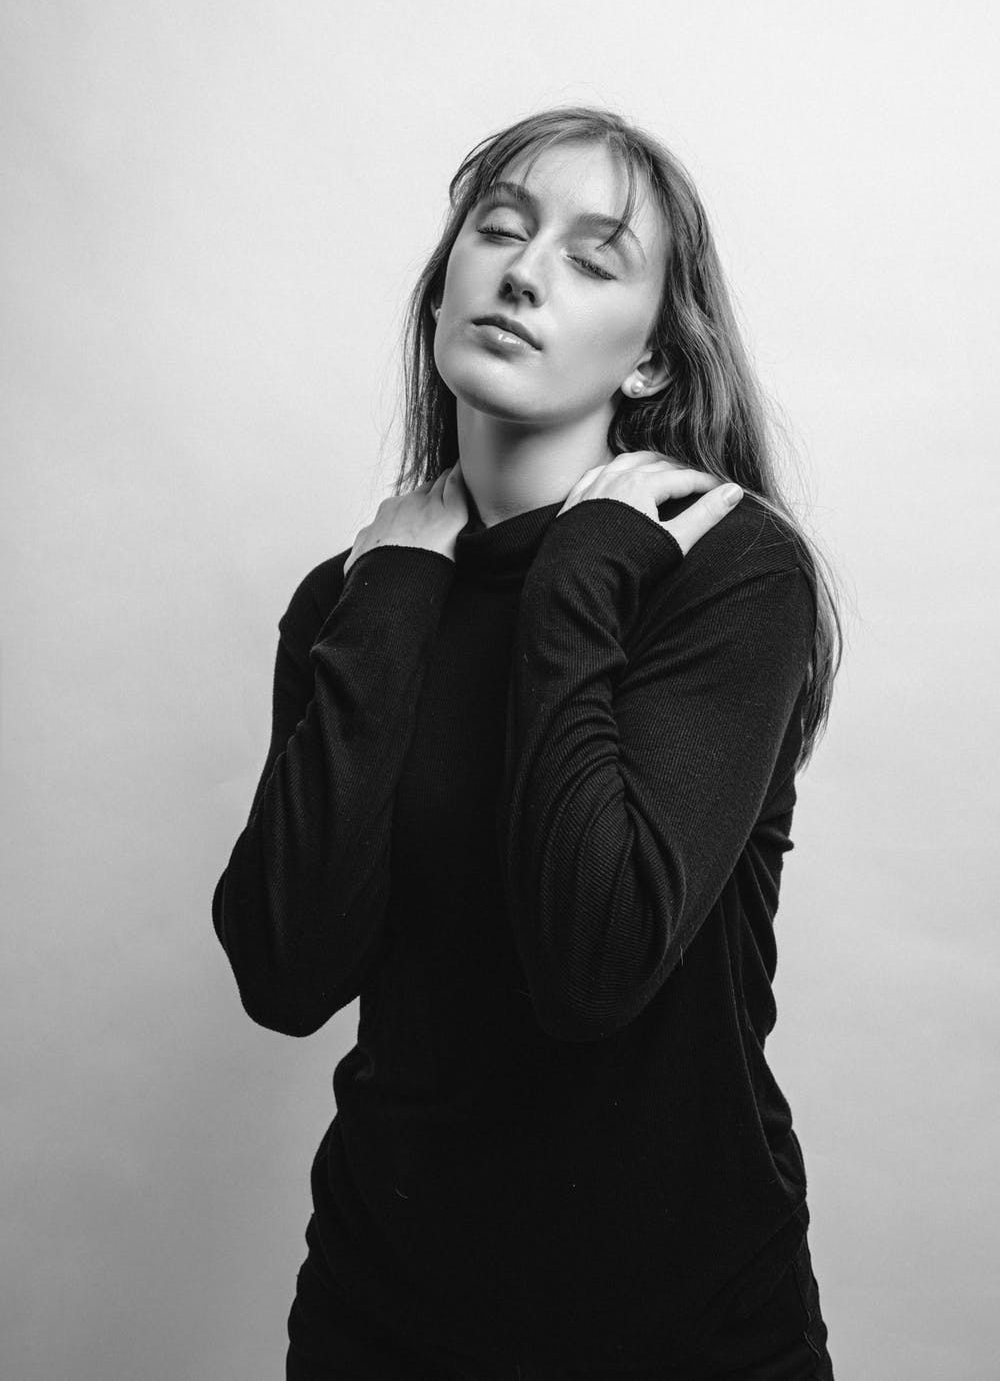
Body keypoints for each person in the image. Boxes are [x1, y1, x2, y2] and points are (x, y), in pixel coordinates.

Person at [212, 105, 842, 1379]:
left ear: (651, 362)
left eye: (592, 258)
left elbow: (594, 960)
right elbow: (286, 971)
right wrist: (392, 595)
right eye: (499, 230)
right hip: (381, 1322)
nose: (522, 271)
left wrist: (581, 571)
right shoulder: (357, 600)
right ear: (445, 281)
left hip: (681, 1332)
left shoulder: (723, 573)